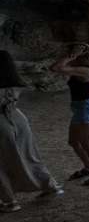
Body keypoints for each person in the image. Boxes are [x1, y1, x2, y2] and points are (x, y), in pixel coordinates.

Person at [0, 51, 63, 211]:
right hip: (18, 118)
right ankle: (50, 186)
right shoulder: (13, 79)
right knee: (30, 155)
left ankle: (9, 201)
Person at [49, 42, 89, 185]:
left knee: (88, 144)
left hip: (87, 108)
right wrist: (72, 56)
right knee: (73, 142)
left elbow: (55, 68)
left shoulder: (85, 70)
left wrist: (71, 56)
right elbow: (56, 67)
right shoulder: (80, 68)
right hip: (80, 109)